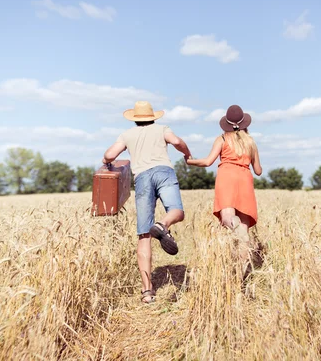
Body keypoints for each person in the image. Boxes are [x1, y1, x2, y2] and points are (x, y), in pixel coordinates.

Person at [102, 100, 192, 304]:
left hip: (142, 178)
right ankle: (163, 224)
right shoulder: (162, 129)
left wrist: (106, 161)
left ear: (135, 119)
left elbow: (110, 155)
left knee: (144, 235)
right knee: (177, 211)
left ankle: (147, 292)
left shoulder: (127, 135)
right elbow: (177, 142)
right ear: (153, 117)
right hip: (164, 172)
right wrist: (186, 153)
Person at [186, 104, 262, 265]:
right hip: (245, 178)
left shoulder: (222, 139)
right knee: (244, 227)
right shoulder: (251, 142)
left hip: (226, 176)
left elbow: (207, 162)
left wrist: (190, 161)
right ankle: (239, 276)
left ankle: (235, 231)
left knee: (227, 217)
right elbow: (258, 171)